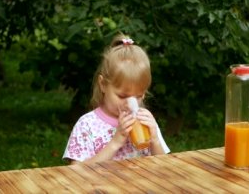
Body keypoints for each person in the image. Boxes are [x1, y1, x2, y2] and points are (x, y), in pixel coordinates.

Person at [62, 34, 170, 164]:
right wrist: (116, 142)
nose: (131, 104)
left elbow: (164, 166)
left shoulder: (146, 122)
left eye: (138, 96)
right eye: (122, 96)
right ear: (103, 85)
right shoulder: (87, 126)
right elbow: (75, 172)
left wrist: (155, 140)